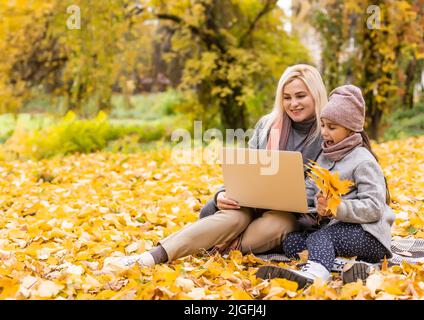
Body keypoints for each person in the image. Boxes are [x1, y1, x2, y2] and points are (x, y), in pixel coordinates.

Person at [101, 64, 329, 272]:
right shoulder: (268, 125)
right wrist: (222, 193)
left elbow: (320, 185)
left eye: (300, 96)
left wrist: (289, 196)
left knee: (279, 223)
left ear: (315, 95)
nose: (293, 103)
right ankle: (149, 258)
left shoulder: (327, 132)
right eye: (287, 97)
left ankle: (217, 245)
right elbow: (245, 168)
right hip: (251, 202)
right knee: (233, 219)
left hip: (292, 213)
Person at [256, 85, 395, 287]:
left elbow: (374, 208)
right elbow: (309, 191)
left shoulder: (363, 161)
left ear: (351, 129)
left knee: (323, 237)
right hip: (338, 233)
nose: (324, 132)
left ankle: (315, 274)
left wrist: (337, 208)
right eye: (322, 125)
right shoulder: (324, 156)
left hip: (369, 235)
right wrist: (286, 198)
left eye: (332, 127)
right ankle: (349, 266)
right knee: (292, 242)